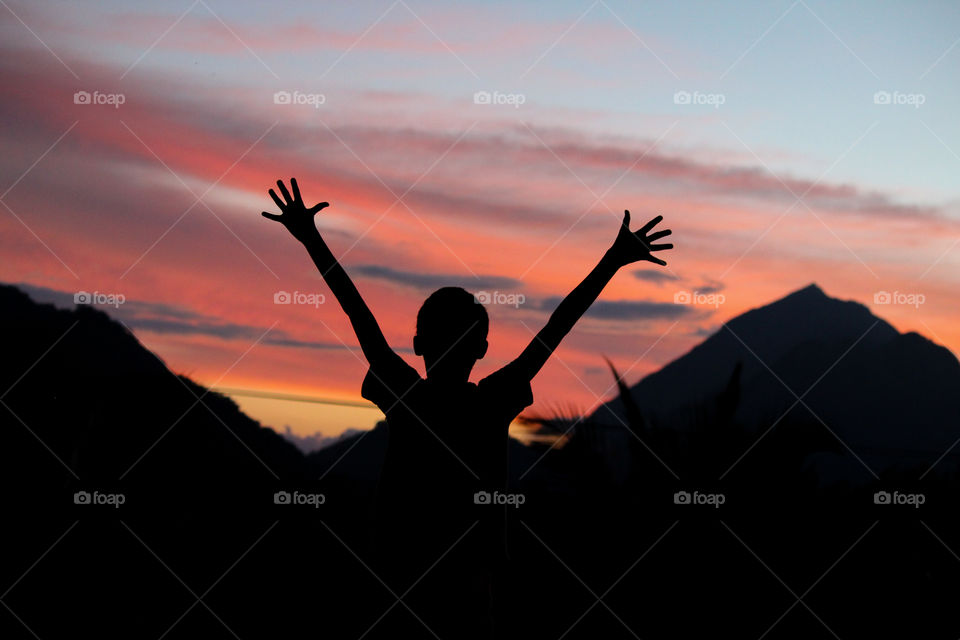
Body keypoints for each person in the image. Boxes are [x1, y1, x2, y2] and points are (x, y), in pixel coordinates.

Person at [262, 178, 673, 637]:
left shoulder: (408, 396)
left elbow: (359, 316)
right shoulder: (490, 402)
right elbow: (555, 329)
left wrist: (312, 239)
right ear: (482, 349)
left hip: (406, 578)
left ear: (418, 344)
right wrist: (613, 261)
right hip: (468, 586)